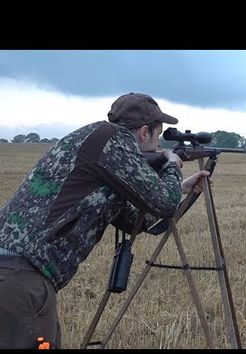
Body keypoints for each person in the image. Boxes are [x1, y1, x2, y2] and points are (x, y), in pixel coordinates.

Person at [0, 92, 211, 349]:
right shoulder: (113, 142)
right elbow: (163, 204)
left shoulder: (98, 143)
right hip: (20, 281)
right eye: (158, 137)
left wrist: (181, 189)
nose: (159, 147)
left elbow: (138, 221)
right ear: (144, 132)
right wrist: (172, 165)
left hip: (15, 275)